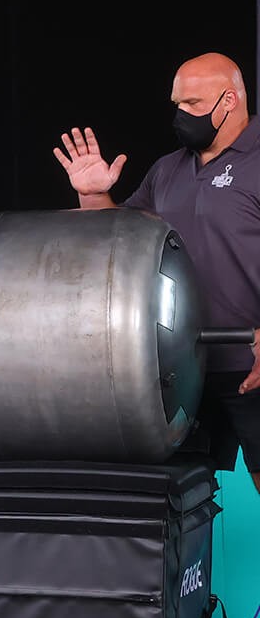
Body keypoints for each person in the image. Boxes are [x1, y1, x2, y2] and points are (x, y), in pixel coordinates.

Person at [53, 51, 260, 494]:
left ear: (229, 101)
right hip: (182, 368)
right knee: (179, 502)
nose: (180, 115)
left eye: (192, 104)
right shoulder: (168, 170)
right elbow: (120, 243)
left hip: (253, 363)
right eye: (176, 104)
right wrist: (93, 197)